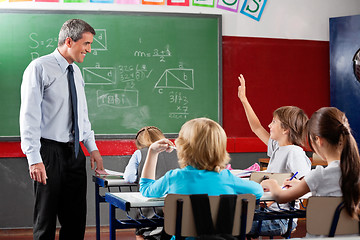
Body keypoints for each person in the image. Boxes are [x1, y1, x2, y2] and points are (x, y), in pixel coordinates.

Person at [20, 19, 104, 240]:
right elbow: (28, 117)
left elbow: (81, 115)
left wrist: (92, 148)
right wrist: (33, 158)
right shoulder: (39, 68)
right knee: (45, 219)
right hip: (48, 153)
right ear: (69, 41)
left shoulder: (76, 72)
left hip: (75, 153)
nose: (89, 49)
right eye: (86, 44)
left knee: (75, 220)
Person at [261, 107, 360, 237]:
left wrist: (271, 183)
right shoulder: (355, 172)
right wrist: (301, 185)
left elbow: (280, 197)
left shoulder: (319, 175)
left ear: (318, 140)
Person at [237, 74, 311, 236]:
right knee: (232, 219)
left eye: (274, 122)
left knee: (233, 224)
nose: (269, 125)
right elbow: (256, 128)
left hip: (281, 218)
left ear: (285, 129)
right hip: (268, 211)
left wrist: (283, 190)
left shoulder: (294, 153)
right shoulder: (278, 146)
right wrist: (244, 99)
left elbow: (307, 184)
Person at [139, 117, 263, 202]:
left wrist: (152, 153)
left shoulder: (174, 177)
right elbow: (258, 191)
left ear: (182, 147)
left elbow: (146, 189)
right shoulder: (228, 178)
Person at [124, 126, 178, 240]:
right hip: (175, 208)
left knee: (139, 230)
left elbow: (129, 177)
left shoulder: (139, 153)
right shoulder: (176, 152)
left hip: (149, 209)